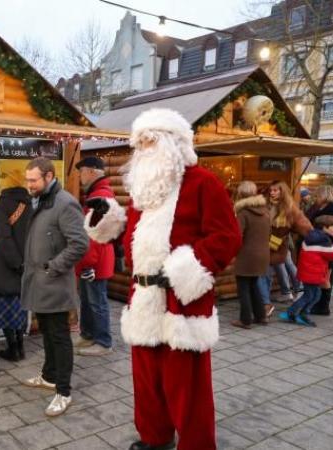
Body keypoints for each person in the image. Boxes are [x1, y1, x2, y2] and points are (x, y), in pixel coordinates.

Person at [85, 108, 242, 450]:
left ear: (174, 144)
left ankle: (196, 445)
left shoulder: (204, 183)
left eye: (149, 141)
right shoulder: (146, 192)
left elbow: (227, 237)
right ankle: (154, 438)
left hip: (180, 302)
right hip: (143, 300)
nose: (142, 149)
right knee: (147, 381)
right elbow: (134, 237)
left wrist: (185, 271)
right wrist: (108, 222)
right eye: (138, 143)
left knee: (186, 386)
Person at [20, 157, 88, 417]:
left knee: (59, 337)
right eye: (27, 180)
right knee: (47, 332)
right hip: (40, 282)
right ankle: (49, 376)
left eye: (33, 180)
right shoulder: (39, 200)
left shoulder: (65, 203)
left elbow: (80, 244)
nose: (29, 185)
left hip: (54, 283)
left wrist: (53, 266)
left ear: (49, 177)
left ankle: (64, 391)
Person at [73, 156, 116, 356]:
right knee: (88, 301)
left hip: (95, 261)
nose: (80, 176)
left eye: (81, 172)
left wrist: (88, 263)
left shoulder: (100, 196)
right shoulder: (96, 194)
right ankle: (88, 334)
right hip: (90, 260)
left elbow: (96, 235)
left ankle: (103, 342)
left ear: (91, 171)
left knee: (97, 302)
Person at [0, 179, 31, 362]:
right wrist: (23, 263)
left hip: (5, 264)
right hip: (25, 263)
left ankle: (12, 348)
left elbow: (3, 236)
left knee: (5, 308)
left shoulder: (2, 204)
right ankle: (20, 347)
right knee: (20, 307)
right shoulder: (31, 203)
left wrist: (15, 262)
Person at [258, 181, 312, 317]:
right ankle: (265, 304)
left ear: (283, 191)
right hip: (264, 247)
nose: (272, 193)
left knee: (264, 275)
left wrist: (314, 240)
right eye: (271, 190)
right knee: (264, 275)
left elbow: (305, 227)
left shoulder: (290, 208)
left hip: (278, 247)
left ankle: (266, 304)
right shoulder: (267, 204)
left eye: (276, 190)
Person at [279, 215, 333, 326]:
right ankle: (293, 313)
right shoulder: (324, 239)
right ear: (324, 228)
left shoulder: (311, 236)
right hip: (313, 274)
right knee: (310, 295)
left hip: (308, 273)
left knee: (315, 294)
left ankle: (301, 313)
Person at [231, 181, 270, 329]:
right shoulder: (265, 211)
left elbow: (237, 236)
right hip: (263, 253)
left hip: (247, 255)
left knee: (243, 287)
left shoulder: (243, 213)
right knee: (253, 285)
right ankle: (261, 316)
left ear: (240, 194)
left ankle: (245, 319)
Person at [308, 185, 333, 315]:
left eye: (318, 195)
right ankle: (319, 304)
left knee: (325, 278)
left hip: (328, 246)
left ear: (325, 195)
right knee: (323, 277)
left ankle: (323, 306)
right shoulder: (321, 207)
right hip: (321, 246)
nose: (316, 198)